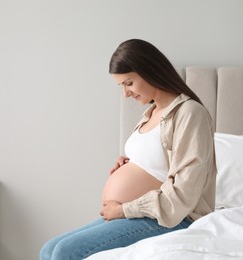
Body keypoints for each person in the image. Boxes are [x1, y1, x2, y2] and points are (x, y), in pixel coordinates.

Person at [40, 39, 216, 260]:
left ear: (149, 71)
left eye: (129, 83)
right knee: (48, 249)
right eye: (121, 86)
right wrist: (130, 163)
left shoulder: (189, 113)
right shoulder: (151, 113)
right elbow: (158, 163)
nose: (125, 94)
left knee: (67, 252)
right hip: (138, 213)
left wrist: (124, 209)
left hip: (171, 217)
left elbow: (184, 192)